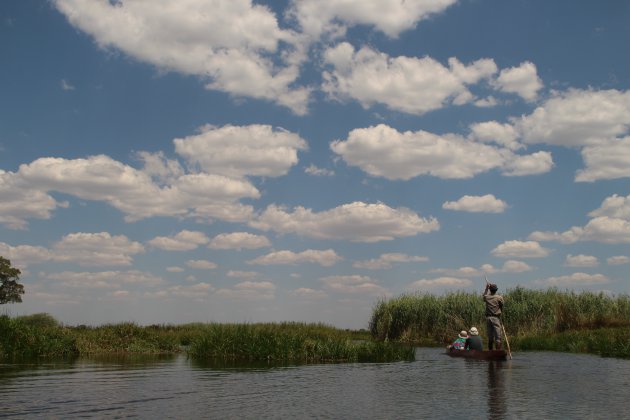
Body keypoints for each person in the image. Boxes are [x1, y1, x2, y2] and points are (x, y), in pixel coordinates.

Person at [483, 283, 504, 350]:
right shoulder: (499, 297)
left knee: (490, 337)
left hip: (488, 318)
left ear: (490, 290)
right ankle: (497, 351)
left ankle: (490, 352)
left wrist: (486, 288)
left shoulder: (487, 297)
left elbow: (484, 296)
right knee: (498, 336)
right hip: (496, 318)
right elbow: (501, 306)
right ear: (496, 290)